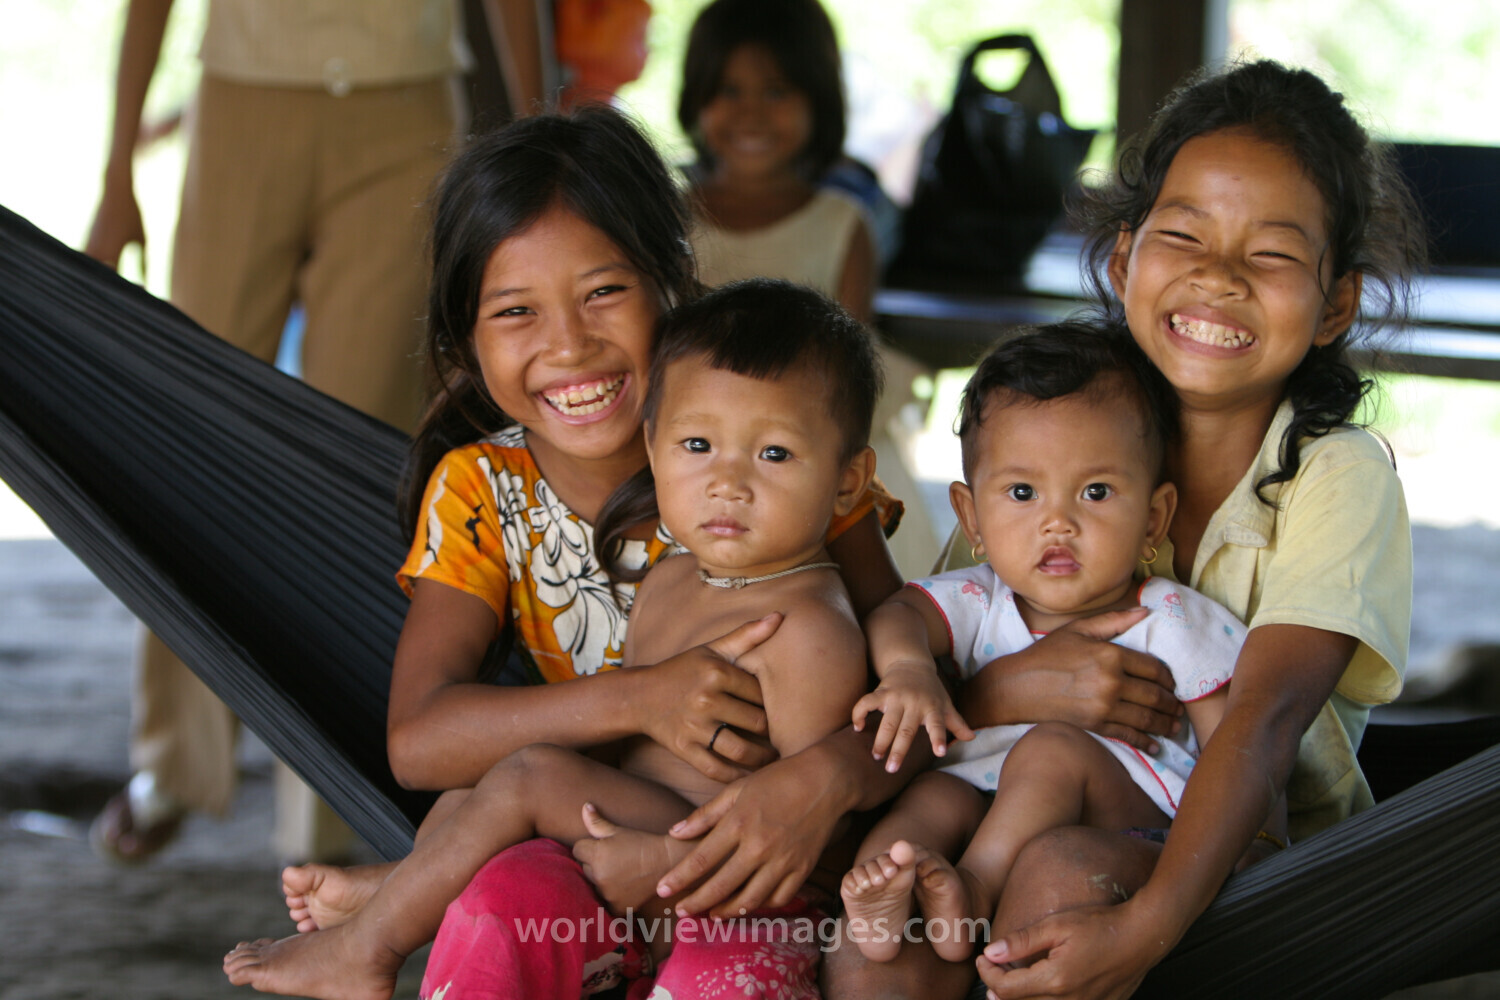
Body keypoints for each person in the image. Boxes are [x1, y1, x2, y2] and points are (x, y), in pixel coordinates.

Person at [823, 59, 1423, 999]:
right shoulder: (1048, 432)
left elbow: (1261, 728)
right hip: (1014, 792)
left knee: (1061, 878)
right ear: (1121, 260)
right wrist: (1015, 687)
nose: (1218, 277)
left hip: (1257, 859)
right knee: (881, 920)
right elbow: (941, 635)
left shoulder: (1332, 476)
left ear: (1335, 303)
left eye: (1268, 253)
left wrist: (1145, 927)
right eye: (1184, 236)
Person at [224, 278, 882, 998]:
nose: (728, 481)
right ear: (655, 452)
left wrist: (657, 858)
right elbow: (624, 749)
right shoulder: (668, 578)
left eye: (775, 455)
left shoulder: (813, 630)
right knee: (475, 794)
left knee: (530, 776)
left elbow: (815, 838)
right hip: (638, 824)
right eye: (698, 444)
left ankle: (371, 943)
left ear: (848, 484)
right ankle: (408, 885)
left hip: (725, 880)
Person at [83, 0, 466, 864]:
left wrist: (529, 122)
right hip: (244, 97)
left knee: (359, 463)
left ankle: (329, 805)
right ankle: (175, 762)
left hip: (409, 106)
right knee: (187, 437)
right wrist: (117, 178)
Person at [840, 324, 1265, 964]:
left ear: (1153, 519)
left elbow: (1238, 740)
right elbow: (898, 612)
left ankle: (974, 891)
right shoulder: (979, 598)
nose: (1057, 521)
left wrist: (1264, 838)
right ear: (971, 519)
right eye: (1021, 493)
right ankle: (880, 895)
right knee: (930, 796)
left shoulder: (1169, 618)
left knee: (1052, 753)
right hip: (984, 797)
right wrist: (909, 671)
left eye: (1096, 492)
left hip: (1126, 809)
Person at [676, 0, 877, 321]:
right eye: (729, 90)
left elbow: (855, 362)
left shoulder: (843, 227)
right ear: (696, 98)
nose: (751, 114)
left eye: (775, 92)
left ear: (818, 101)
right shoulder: (667, 220)